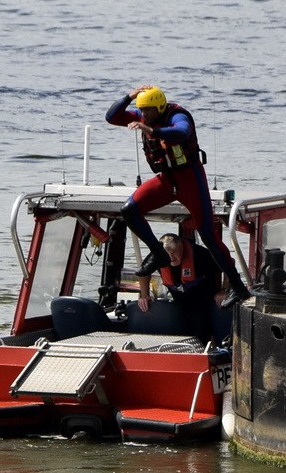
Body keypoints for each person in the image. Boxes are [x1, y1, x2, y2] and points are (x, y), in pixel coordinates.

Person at [106, 85, 251, 308]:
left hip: (190, 180)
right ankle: (158, 254)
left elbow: (182, 132)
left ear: (160, 107)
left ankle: (239, 288)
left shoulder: (178, 115)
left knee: (208, 236)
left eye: (148, 111)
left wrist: (151, 131)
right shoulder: (141, 113)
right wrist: (130, 96)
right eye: (141, 110)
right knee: (129, 210)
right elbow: (111, 117)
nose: (143, 115)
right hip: (167, 179)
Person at [136, 233, 228, 343]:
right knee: (176, 330)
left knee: (200, 330)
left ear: (182, 248)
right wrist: (144, 295)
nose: (171, 257)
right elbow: (142, 273)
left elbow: (229, 263)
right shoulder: (158, 255)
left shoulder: (200, 254)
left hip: (203, 301)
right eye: (167, 253)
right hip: (178, 302)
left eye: (174, 252)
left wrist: (224, 290)